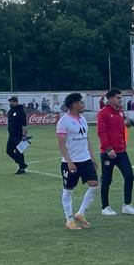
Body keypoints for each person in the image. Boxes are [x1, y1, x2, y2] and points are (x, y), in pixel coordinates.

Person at [56, 92, 99, 230]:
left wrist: (92, 158)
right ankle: (69, 220)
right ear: (74, 104)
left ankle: (80, 213)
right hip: (71, 162)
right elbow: (61, 144)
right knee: (68, 189)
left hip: (85, 160)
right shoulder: (63, 121)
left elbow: (87, 140)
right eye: (81, 103)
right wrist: (69, 162)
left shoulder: (83, 119)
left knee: (94, 184)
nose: (83, 105)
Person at [97, 88, 134, 217]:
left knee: (128, 175)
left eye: (120, 97)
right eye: (117, 97)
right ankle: (105, 207)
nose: (120, 99)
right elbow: (102, 132)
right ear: (109, 98)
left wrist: (128, 124)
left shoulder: (120, 112)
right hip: (108, 152)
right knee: (107, 179)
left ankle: (127, 205)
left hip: (121, 151)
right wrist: (108, 149)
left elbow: (120, 128)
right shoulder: (103, 113)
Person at [6, 96, 29, 174]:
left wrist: (23, 135)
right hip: (11, 135)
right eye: (10, 102)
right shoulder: (10, 111)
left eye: (12, 101)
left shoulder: (20, 111)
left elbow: (24, 125)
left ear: (16, 102)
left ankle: (21, 168)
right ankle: (22, 164)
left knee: (19, 152)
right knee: (9, 151)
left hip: (18, 135)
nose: (10, 103)